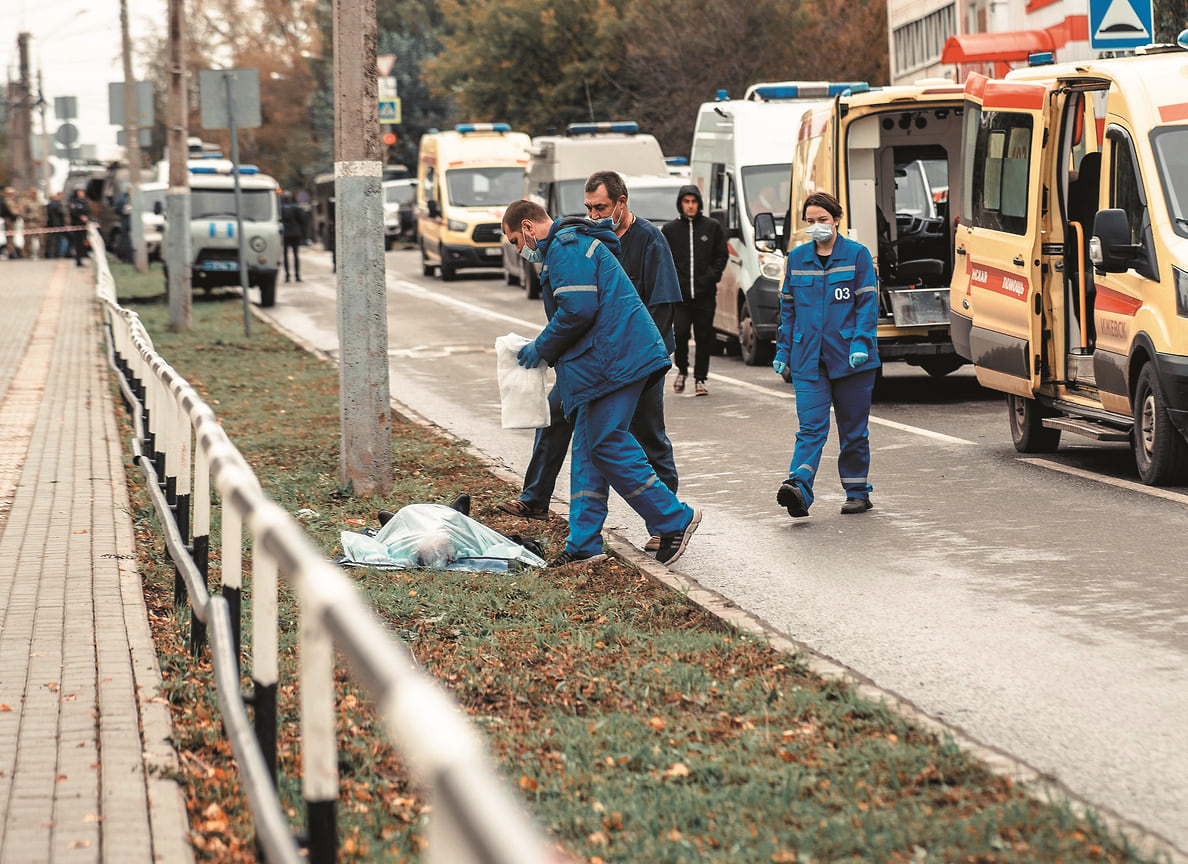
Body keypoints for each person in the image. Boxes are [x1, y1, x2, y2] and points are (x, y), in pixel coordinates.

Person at [503, 198, 701, 567]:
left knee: (606, 442)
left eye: (516, 240)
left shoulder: (565, 248)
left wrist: (540, 348)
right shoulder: (572, 245)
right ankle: (583, 543)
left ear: (528, 227)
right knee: (588, 450)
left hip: (615, 360)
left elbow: (578, 311)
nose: (518, 250)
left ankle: (673, 518)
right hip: (605, 361)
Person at [771, 191, 880, 517]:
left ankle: (857, 491)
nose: (816, 226)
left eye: (822, 220)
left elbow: (867, 305)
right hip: (808, 358)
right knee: (811, 428)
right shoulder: (797, 258)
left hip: (851, 359)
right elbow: (787, 311)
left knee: (853, 431)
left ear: (836, 219)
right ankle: (798, 487)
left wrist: (862, 342)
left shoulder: (857, 256)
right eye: (810, 222)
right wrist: (783, 350)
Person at [662, 185, 728, 397]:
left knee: (703, 337)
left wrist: (711, 276)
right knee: (680, 333)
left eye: (694, 201)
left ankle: (700, 379)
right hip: (680, 296)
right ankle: (681, 369)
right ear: (680, 203)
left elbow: (722, 255)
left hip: (705, 295)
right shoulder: (670, 230)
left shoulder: (712, 227)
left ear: (699, 203)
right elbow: (664, 259)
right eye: (686, 202)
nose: (690, 206)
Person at [281, 191, 304, 282]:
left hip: (285, 234)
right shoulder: (296, 208)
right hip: (295, 233)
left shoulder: (280, 208)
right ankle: (297, 275)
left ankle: (287, 275)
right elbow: (302, 220)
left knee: (285, 255)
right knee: (295, 255)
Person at [68, 188, 91, 267]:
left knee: (82, 243)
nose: (82, 193)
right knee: (77, 243)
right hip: (77, 225)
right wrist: (80, 217)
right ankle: (78, 260)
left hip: (83, 226)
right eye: (80, 192)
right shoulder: (74, 202)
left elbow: (87, 212)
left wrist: (87, 217)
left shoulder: (84, 202)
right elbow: (73, 212)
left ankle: (81, 258)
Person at [22, 188, 45, 259]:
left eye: (35, 193)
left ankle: (42, 255)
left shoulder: (40, 202)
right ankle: (27, 255)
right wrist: (29, 217)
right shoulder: (26, 203)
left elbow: (44, 213)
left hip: (39, 223)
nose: (33, 194)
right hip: (30, 223)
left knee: (42, 240)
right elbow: (23, 214)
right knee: (28, 240)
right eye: (32, 193)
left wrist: (44, 221)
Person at [46, 192, 66, 259]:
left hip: (54, 224)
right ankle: (55, 254)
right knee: (56, 240)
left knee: (54, 240)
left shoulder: (51, 204)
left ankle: (52, 254)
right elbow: (61, 213)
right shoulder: (55, 204)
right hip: (56, 224)